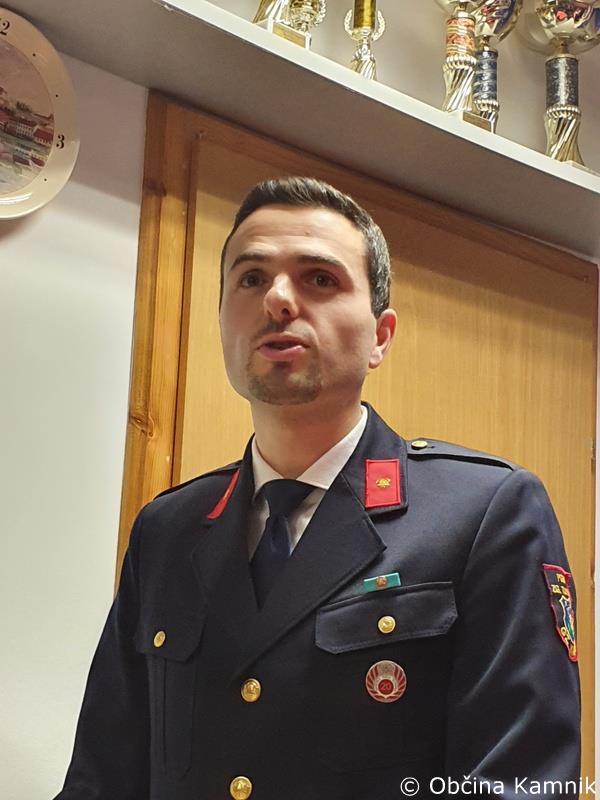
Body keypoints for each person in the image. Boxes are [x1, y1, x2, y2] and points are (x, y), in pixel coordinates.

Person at [55, 177, 580, 800]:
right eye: (251, 278)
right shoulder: (168, 530)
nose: (278, 299)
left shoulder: (485, 514)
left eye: (320, 279)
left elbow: (519, 784)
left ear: (381, 336)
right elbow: (102, 777)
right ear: (222, 321)